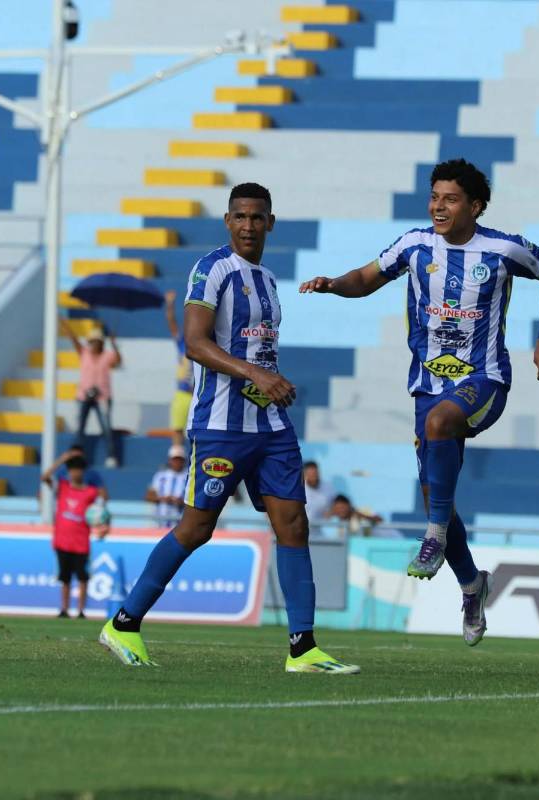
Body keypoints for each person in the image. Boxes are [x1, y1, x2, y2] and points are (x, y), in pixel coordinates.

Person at [299, 158, 539, 646]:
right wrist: (333, 284)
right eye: (435, 196)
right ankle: (471, 584)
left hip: (484, 381)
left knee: (441, 442)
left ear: (475, 206)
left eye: (451, 198)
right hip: (426, 384)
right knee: (435, 494)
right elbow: (366, 277)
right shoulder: (415, 245)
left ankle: (434, 536)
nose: (439, 206)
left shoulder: (503, 249)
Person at [99, 182, 358, 673]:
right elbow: (195, 344)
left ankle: (302, 648)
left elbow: (259, 348)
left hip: (270, 425)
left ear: (270, 223)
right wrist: (257, 374)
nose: (248, 225)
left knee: (294, 525)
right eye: (239, 216)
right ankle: (124, 623)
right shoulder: (212, 269)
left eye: (257, 217)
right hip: (221, 425)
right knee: (196, 529)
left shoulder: (266, 278)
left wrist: (271, 381)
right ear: (227, 221)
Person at [43, 453, 107, 619]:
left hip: (81, 542)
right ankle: (64, 609)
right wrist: (63, 459)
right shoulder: (63, 487)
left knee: (82, 578)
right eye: (72, 470)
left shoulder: (91, 492)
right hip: (62, 541)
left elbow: (104, 505)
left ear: (83, 471)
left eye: (78, 470)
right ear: (69, 471)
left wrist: (104, 525)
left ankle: (81, 610)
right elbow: (45, 477)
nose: (75, 473)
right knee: (64, 578)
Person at [62, 316, 121, 468]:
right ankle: (77, 456)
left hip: (102, 396)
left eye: (97, 341)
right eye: (92, 341)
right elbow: (74, 340)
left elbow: (118, 362)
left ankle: (111, 456)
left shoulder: (108, 355)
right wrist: (66, 326)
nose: (94, 344)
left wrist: (114, 345)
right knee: (80, 428)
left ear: (101, 342)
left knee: (106, 428)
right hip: (83, 395)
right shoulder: (84, 353)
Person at [163, 289, 194, 449]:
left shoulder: (206, 345)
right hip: (182, 393)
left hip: (197, 395)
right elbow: (172, 323)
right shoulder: (182, 343)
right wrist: (169, 304)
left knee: (198, 431)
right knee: (177, 429)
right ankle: (178, 457)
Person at [146, 445, 187, 528]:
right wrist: (163, 499)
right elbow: (149, 497)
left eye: (180, 459)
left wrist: (182, 502)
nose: (177, 462)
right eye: (175, 459)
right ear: (170, 460)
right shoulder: (160, 476)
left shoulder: (189, 477)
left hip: (181, 525)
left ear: (184, 461)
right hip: (160, 523)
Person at [302, 460, 335, 526]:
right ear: (305, 475)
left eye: (315, 474)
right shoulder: (299, 489)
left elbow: (335, 505)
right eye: (311, 475)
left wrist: (331, 512)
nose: (314, 477)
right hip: (304, 528)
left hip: (323, 528)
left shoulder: (328, 487)